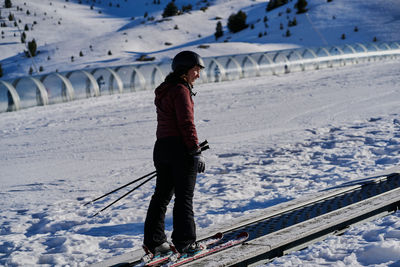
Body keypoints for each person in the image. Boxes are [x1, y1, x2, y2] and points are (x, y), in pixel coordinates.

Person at [143, 51, 206, 256]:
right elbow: (186, 123)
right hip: (180, 149)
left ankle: (155, 242)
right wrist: (195, 151)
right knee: (184, 198)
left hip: (162, 148)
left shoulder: (165, 89)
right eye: (196, 70)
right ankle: (185, 242)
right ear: (184, 71)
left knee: (161, 196)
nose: (198, 74)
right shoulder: (181, 90)